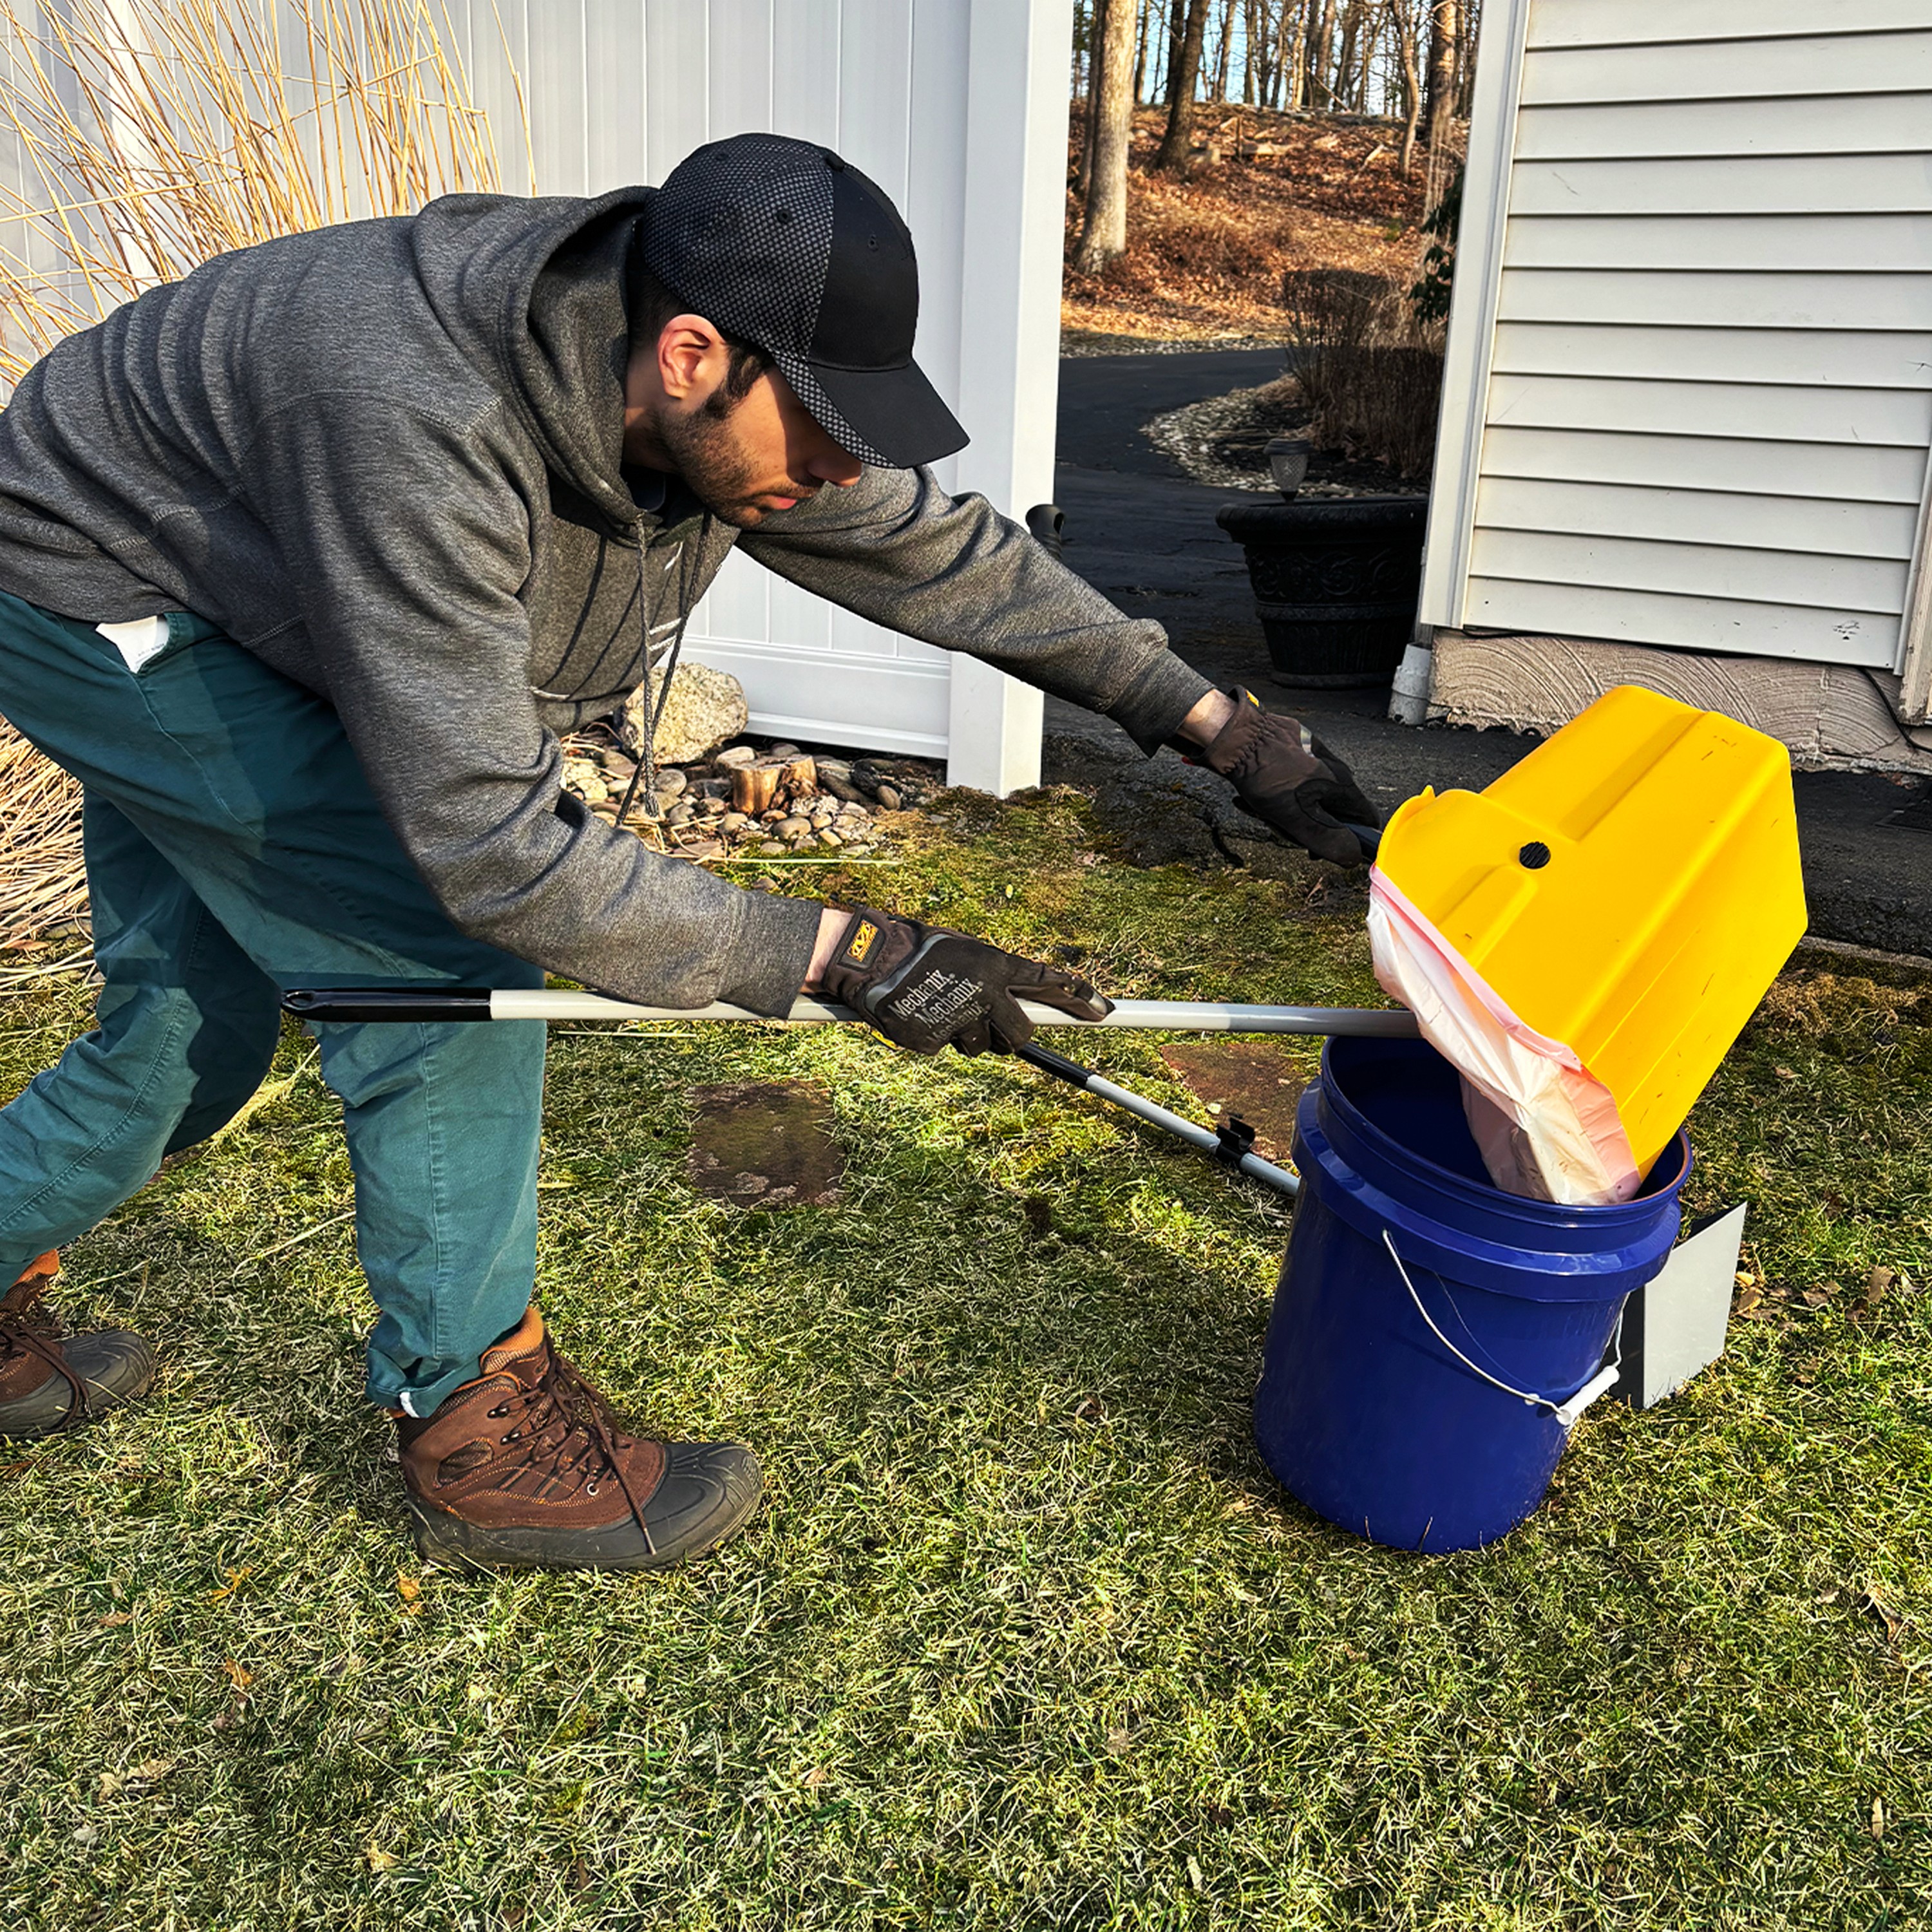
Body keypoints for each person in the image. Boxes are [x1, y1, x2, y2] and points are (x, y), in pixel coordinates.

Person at [0, 134, 1377, 1569]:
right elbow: (494, 850)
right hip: (108, 592)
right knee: (438, 975)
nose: (847, 464)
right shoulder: (419, 415)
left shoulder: (700, 390)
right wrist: (845, 959)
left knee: (190, 1023)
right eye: (828, 423)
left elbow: (930, 545)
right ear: (690, 353)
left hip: (254, 570)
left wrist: (1218, 723)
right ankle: (473, 1423)